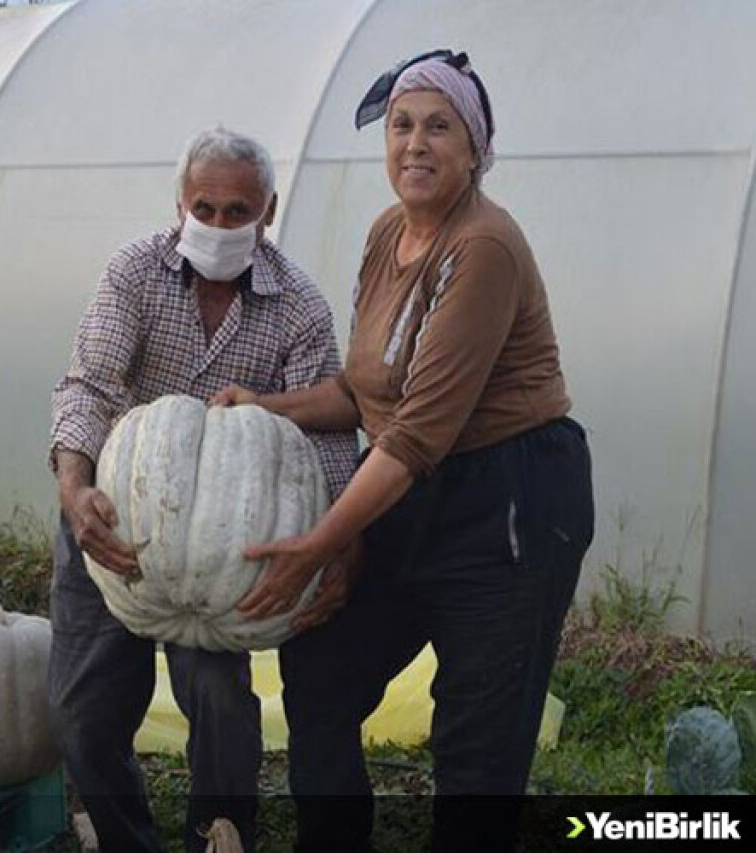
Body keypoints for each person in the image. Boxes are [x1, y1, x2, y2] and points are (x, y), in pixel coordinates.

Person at [212, 51, 594, 852]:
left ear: (474, 148)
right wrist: (266, 405)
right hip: (413, 488)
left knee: (476, 751)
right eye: (401, 126)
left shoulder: (483, 247)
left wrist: (320, 541)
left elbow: (415, 432)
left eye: (438, 127)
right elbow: (366, 393)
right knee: (320, 670)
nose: (415, 144)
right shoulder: (391, 233)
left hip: (511, 504)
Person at [48, 126, 358, 853]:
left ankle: (220, 840)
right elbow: (89, 386)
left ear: (269, 210)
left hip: (224, 544)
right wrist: (73, 484)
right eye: (206, 208)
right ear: (179, 203)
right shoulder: (134, 274)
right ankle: (127, 839)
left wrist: (341, 541)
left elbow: (328, 432)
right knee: (83, 715)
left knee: (221, 709)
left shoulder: (299, 306)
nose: (219, 224)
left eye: (237, 211)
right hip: (113, 520)